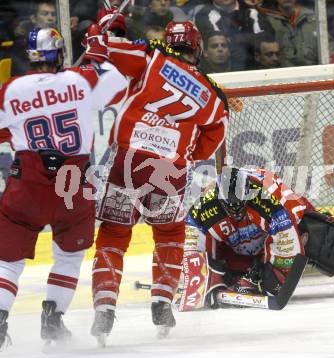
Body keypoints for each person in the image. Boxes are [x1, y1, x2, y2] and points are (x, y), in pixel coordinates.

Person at [86, 21, 229, 343]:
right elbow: (213, 137)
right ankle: (163, 299)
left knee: (113, 232)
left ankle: (104, 306)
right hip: (170, 169)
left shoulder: (151, 57)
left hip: (128, 159)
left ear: (168, 41)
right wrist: (184, 154)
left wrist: (107, 25)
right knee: (169, 232)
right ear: (198, 48)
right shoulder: (212, 94)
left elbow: (98, 47)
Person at [0, 27, 127, 350]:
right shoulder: (80, 80)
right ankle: (53, 320)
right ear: (59, 52)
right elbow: (117, 79)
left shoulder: (12, 89)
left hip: (26, 184)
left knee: (7, 261)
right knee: (69, 257)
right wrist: (99, 46)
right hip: (73, 185)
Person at [181, 167, 334, 310]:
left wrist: (272, 277)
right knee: (208, 259)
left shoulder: (270, 199)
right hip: (238, 250)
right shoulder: (204, 206)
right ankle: (232, 275)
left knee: (316, 235)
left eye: (241, 205)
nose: (237, 212)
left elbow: (288, 242)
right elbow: (190, 245)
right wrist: (202, 279)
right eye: (231, 207)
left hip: (283, 236)